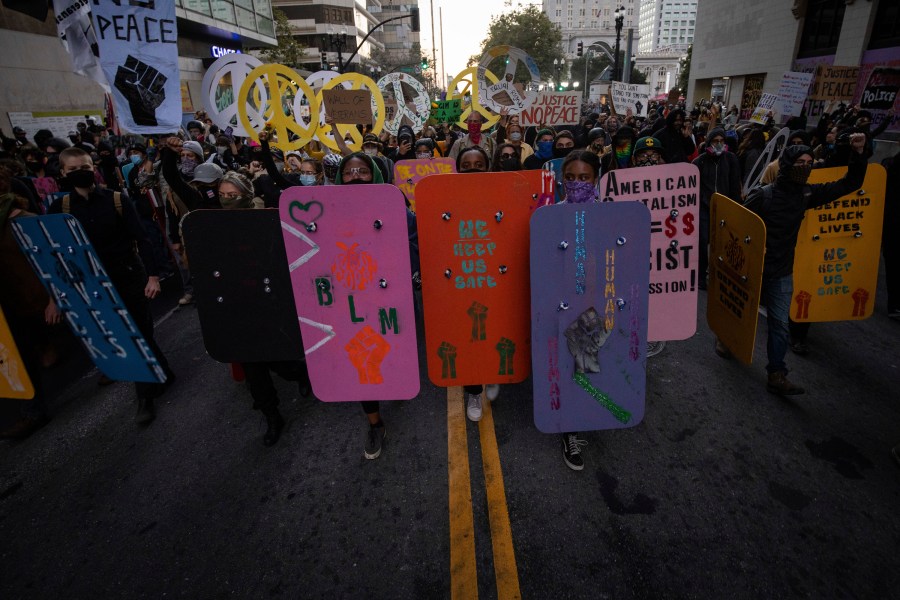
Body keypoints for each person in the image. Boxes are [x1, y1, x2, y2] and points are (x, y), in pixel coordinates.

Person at [728, 133, 868, 396]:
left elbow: (849, 183)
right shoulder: (764, 196)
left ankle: (777, 374)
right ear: (788, 165)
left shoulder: (806, 194)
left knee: (780, 325)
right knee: (737, 311)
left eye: (809, 162)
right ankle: (725, 338)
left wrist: (859, 154)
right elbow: (737, 224)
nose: (805, 166)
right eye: (800, 162)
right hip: (753, 268)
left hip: (781, 272)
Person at [48, 147, 175, 423]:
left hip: (129, 275)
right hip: (93, 282)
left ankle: (145, 398)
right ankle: (164, 372)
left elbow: (142, 239)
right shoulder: (60, 208)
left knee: (139, 332)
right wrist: (56, 295)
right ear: (62, 173)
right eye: (72, 170)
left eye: (84, 166)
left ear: (92, 166)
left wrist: (153, 276)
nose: (80, 173)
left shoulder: (116, 199)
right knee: (126, 335)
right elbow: (56, 255)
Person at [556, 150, 604, 470]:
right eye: (570, 178)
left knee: (589, 364)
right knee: (565, 363)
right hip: (561, 300)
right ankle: (569, 429)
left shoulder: (611, 215)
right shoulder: (549, 215)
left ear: (595, 179)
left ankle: (588, 413)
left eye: (583, 178)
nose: (576, 184)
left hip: (596, 301)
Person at [0, 167, 54, 439]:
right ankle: (34, 411)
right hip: (11, 305)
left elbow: (53, 263)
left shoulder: (25, 221)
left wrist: (54, 299)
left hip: (40, 299)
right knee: (23, 358)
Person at [693, 127, 742, 290]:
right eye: (715, 141)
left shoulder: (731, 159)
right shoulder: (699, 162)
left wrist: (736, 207)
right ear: (709, 143)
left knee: (723, 243)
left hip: (725, 208)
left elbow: (735, 185)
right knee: (702, 241)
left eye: (722, 141)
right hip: (704, 208)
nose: (719, 144)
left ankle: (719, 276)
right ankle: (701, 276)